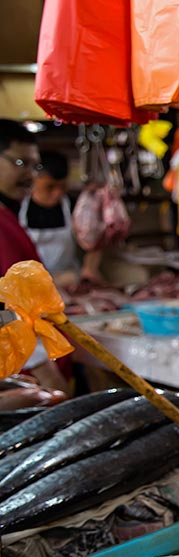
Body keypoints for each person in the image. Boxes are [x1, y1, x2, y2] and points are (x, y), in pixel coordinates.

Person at [0, 119, 70, 394]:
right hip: (25, 376)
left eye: (34, 165)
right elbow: (5, 310)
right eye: (21, 164)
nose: (31, 175)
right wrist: (46, 372)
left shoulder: (7, 214)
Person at [18, 151, 79, 284]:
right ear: (33, 180)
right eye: (50, 187)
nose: (58, 193)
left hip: (67, 278)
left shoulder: (74, 206)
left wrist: (89, 268)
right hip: (29, 281)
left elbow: (95, 240)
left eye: (62, 187)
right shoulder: (16, 207)